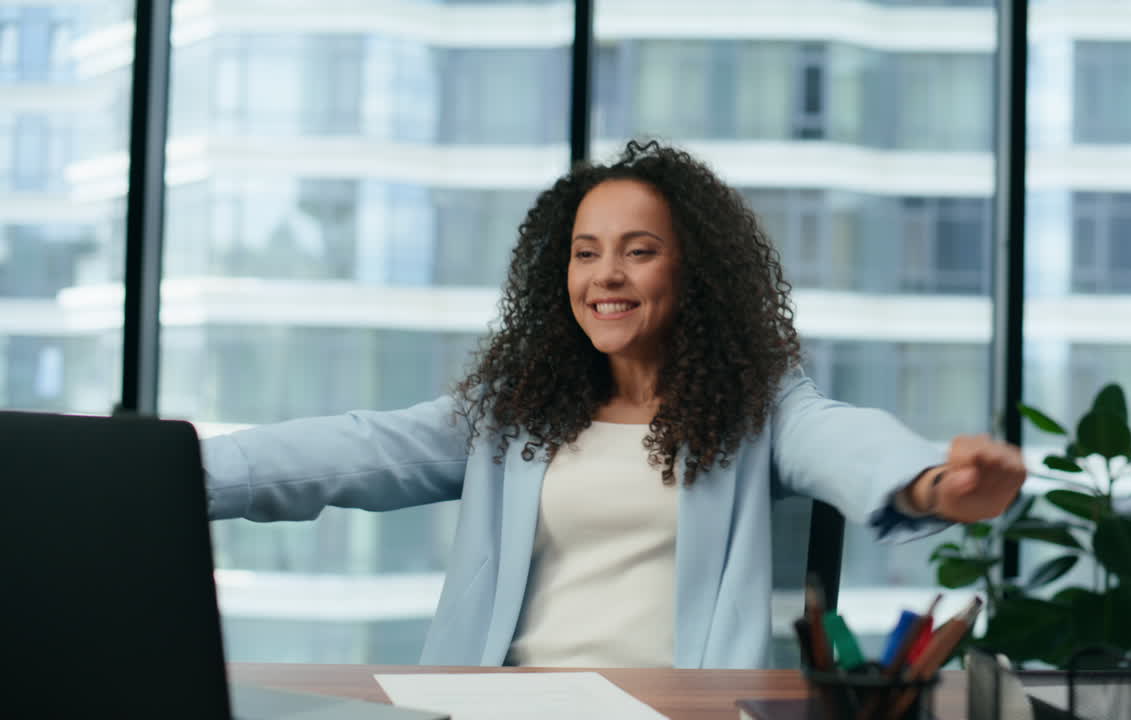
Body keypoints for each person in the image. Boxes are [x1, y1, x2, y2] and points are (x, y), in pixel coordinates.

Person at [202, 140, 1025, 669]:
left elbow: (841, 442)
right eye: (586, 253)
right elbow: (355, 450)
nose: (607, 277)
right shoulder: (512, 414)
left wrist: (930, 482)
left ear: (691, 273)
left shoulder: (758, 406)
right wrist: (169, 471)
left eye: (640, 252)